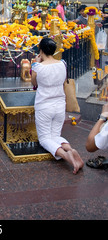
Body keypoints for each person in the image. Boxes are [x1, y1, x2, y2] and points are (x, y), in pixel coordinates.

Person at [31, 37, 84, 174]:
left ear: (40, 50)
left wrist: (36, 64)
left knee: (44, 139)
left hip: (44, 105)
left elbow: (34, 83)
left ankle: (67, 156)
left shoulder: (38, 67)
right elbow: (62, 81)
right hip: (60, 105)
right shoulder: (62, 64)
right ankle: (70, 149)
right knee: (55, 135)